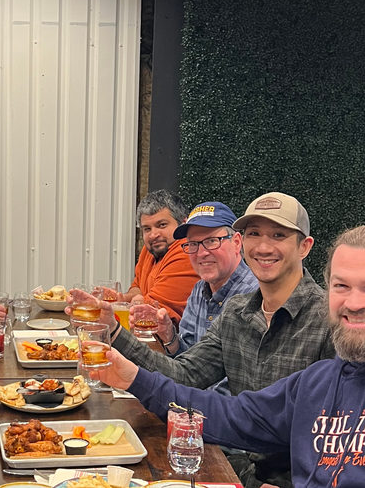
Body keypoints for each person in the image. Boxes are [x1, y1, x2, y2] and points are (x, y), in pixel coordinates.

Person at [95, 223, 365, 488]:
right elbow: (229, 415)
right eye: (341, 286)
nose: (354, 303)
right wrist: (134, 378)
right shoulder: (322, 381)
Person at [69, 192, 334, 488]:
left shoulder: (330, 320)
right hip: (235, 465)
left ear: (304, 247)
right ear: (243, 242)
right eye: (254, 234)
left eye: (278, 235)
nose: (262, 246)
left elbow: (339, 433)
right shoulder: (236, 312)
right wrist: (117, 337)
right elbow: (185, 374)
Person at [158, 201, 259, 356]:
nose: (201, 253)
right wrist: (169, 335)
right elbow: (189, 357)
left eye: (211, 241)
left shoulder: (255, 295)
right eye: (193, 244)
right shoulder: (199, 289)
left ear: (237, 242)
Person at [122, 189, 201, 323]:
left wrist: (128, 302)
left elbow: (150, 313)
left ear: (183, 224)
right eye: (147, 229)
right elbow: (137, 287)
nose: (153, 235)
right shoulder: (152, 249)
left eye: (162, 225)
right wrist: (120, 298)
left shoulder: (187, 253)